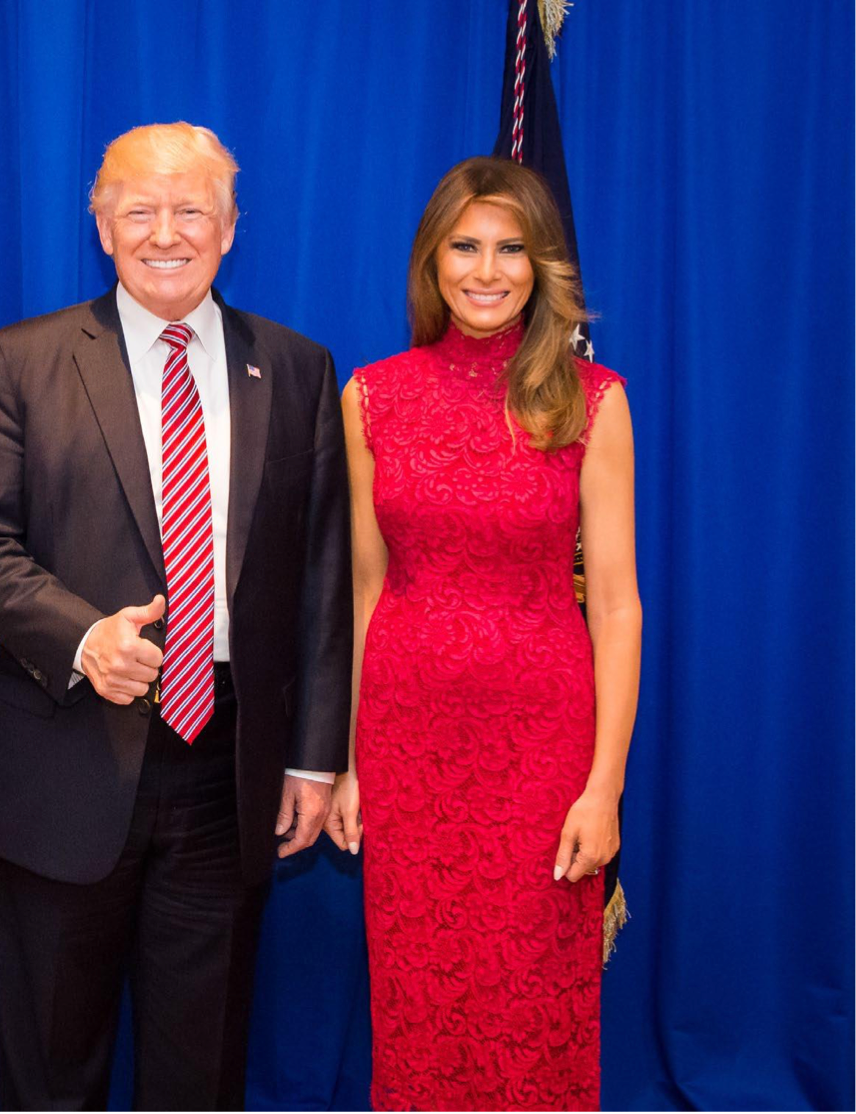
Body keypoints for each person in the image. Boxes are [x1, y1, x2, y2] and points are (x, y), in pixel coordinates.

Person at [0, 122, 351, 1110]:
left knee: (199, 1070)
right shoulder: (21, 360)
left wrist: (312, 758)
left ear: (229, 228)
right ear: (101, 227)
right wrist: (82, 637)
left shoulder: (296, 367)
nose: (164, 233)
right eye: (138, 210)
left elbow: (321, 576)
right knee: (50, 1069)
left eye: (190, 211)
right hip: (64, 761)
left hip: (229, 769)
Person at [325, 157, 641, 1111]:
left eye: (511, 249)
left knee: (532, 996)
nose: (487, 270)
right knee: (419, 997)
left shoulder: (592, 399)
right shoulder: (372, 396)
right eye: (465, 246)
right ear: (433, 260)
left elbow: (616, 606)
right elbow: (366, 591)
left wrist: (604, 788)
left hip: (541, 752)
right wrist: (350, 763)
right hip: (406, 747)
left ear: (542, 266)